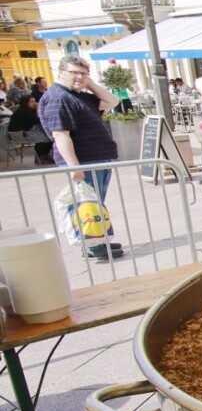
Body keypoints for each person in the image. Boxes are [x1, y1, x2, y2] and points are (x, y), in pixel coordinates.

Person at [38, 55, 123, 259]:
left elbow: (112, 101)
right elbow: (60, 134)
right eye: (74, 73)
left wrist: (89, 83)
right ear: (61, 73)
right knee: (87, 204)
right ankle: (94, 244)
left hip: (96, 158)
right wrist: (74, 166)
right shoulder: (58, 97)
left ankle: (96, 241)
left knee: (94, 202)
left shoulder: (79, 95)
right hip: (84, 160)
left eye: (83, 73)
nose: (79, 77)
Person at [8, 91, 55, 164]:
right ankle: (41, 157)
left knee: (49, 137)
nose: (34, 103)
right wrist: (37, 109)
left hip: (28, 130)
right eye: (32, 102)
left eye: (34, 101)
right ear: (26, 103)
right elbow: (36, 120)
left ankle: (44, 156)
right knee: (43, 139)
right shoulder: (24, 111)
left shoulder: (28, 110)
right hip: (21, 133)